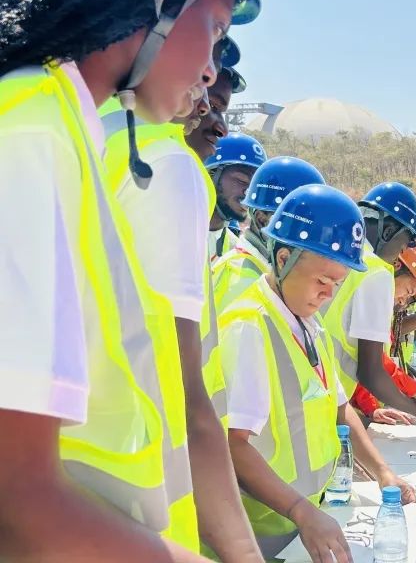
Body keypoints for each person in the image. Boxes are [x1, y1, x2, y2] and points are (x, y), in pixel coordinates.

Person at [0, 0, 258, 560]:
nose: (209, 70)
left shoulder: (60, 127)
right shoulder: (33, 134)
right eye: (216, 28)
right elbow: (18, 499)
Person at [104, 36, 262, 560]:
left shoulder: (91, 134)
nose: (218, 125)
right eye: (207, 100)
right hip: (136, 486)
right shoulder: (167, 165)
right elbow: (187, 391)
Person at [219, 184, 415, 561]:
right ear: (283, 258)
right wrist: (300, 511)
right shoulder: (250, 327)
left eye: (337, 284)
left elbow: (339, 408)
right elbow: (234, 444)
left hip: (303, 520)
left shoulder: (309, 323)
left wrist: (382, 472)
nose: (328, 294)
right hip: (260, 528)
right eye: (322, 281)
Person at [321, 182, 416, 418]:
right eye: (404, 244)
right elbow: (371, 370)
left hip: (324, 397)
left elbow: (346, 346)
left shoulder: (345, 257)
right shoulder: (377, 272)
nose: (401, 252)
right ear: (388, 232)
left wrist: (370, 408)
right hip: (329, 405)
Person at [353, 238, 416, 422]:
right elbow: (372, 366)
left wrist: (371, 408)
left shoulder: (372, 282)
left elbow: (358, 356)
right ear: (396, 265)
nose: (402, 301)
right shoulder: (377, 281)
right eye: (408, 291)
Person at [212, 155, 326, 309]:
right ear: (262, 219)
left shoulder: (271, 274)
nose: (307, 236)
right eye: (298, 225)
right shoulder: (242, 281)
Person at [206, 132, 267, 261]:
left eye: (254, 187)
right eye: (241, 181)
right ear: (211, 175)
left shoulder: (234, 247)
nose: (248, 193)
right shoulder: (172, 230)